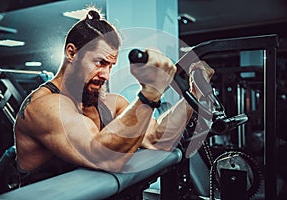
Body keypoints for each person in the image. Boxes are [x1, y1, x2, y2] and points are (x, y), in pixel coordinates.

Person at [12, 7, 214, 187]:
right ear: (72, 53)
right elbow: (106, 158)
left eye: (110, 66)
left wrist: (195, 93)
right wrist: (150, 94)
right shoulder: (44, 106)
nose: (106, 75)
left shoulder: (110, 103)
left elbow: (157, 139)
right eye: (100, 62)